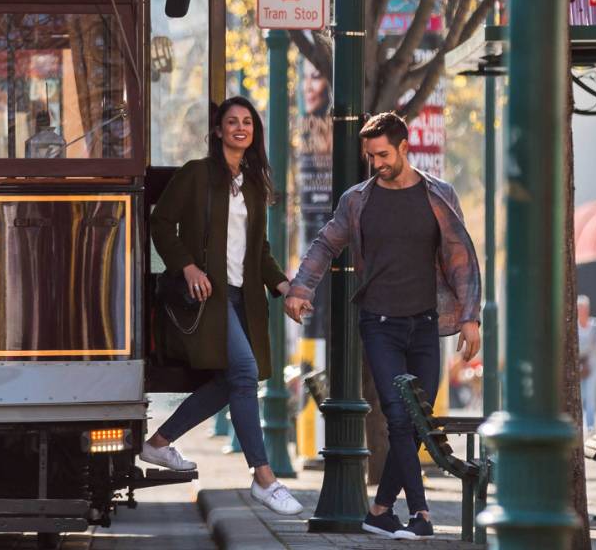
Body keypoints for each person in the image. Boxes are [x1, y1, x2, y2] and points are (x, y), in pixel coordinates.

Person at [284, 112, 482, 540]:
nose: (376, 164)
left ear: (404, 148)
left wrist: (470, 317)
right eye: (370, 156)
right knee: (398, 414)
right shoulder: (357, 200)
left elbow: (460, 259)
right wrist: (300, 288)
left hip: (425, 324)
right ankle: (421, 514)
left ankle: (378, 511)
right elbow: (325, 243)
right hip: (379, 323)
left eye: (383, 155)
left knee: (419, 420)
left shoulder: (439, 195)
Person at [141, 97, 304, 517]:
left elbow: (259, 250)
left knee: (232, 382)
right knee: (245, 372)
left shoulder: (253, 184)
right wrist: (188, 266)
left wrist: (286, 287)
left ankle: (158, 443)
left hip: (242, 299)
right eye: (232, 121)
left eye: (247, 122)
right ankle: (264, 478)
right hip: (206, 301)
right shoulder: (196, 174)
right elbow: (160, 223)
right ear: (218, 131)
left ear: (254, 132)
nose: (240, 127)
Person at [578, 295, 596, 434]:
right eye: (580, 308)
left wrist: (585, 350)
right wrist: (587, 349)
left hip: (593, 365)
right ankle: (581, 425)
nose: (582, 311)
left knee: (591, 395)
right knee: (580, 395)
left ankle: (590, 425)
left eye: (584, 308)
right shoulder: (574, 325)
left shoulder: (595, 324)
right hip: (579, 367)